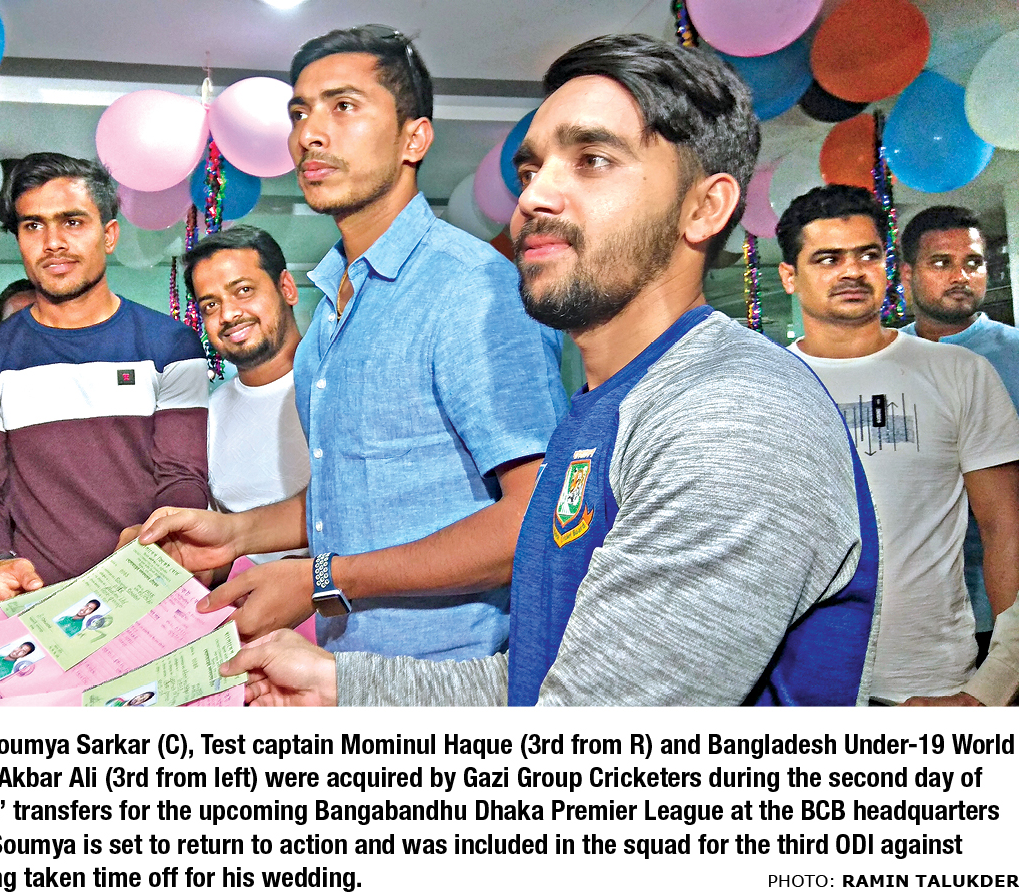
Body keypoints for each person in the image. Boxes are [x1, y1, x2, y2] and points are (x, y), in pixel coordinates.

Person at [205, 34, 883, 706]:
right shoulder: (606, 406)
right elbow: (540, 681)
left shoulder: (731, 419)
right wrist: (342, 687)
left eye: (592, 160)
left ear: (704, 207)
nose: (533, 198)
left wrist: (325, 586)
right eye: (531, 171)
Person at [136, 26, 566, 662]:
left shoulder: (473, 288)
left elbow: (540, 519)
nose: (310, 133)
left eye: (343, 106)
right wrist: (233, 533)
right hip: (343, 673)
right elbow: (350, 499)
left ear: (414, 139)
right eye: (299, 113)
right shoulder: (329, 314)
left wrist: (322, 581)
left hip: (454, 680)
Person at [779, 185, 1019, 706]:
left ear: (888, 268)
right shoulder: (762, 385)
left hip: (933, 683)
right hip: (793, 684)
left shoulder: (959, 372)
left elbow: (1005, 527)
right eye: (828, 259)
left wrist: (997, 682)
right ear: (789, 277)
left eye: (868, 255)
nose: (852, 271)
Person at [0, 153, 210, 606]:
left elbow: (183, 477)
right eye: (33, 225)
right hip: (39, 607)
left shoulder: (172, 345)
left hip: (152, 595)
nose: (53, 243)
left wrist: (158, 543)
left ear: (109, 235)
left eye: (72, 222)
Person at [899, 205, 1019, 663]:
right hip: (915, 609)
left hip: (1004, 606)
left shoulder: (1013, 353)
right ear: (907, 275)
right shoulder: (883, 360)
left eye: (973, 262)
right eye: (941, 263)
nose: (960, 276)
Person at [184, 225, 310, 563]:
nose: (228, 315)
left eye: (243, 290)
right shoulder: (210, 413)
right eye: (211, 305)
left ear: (287, 288)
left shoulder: (337, 385)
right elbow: (219, 545)